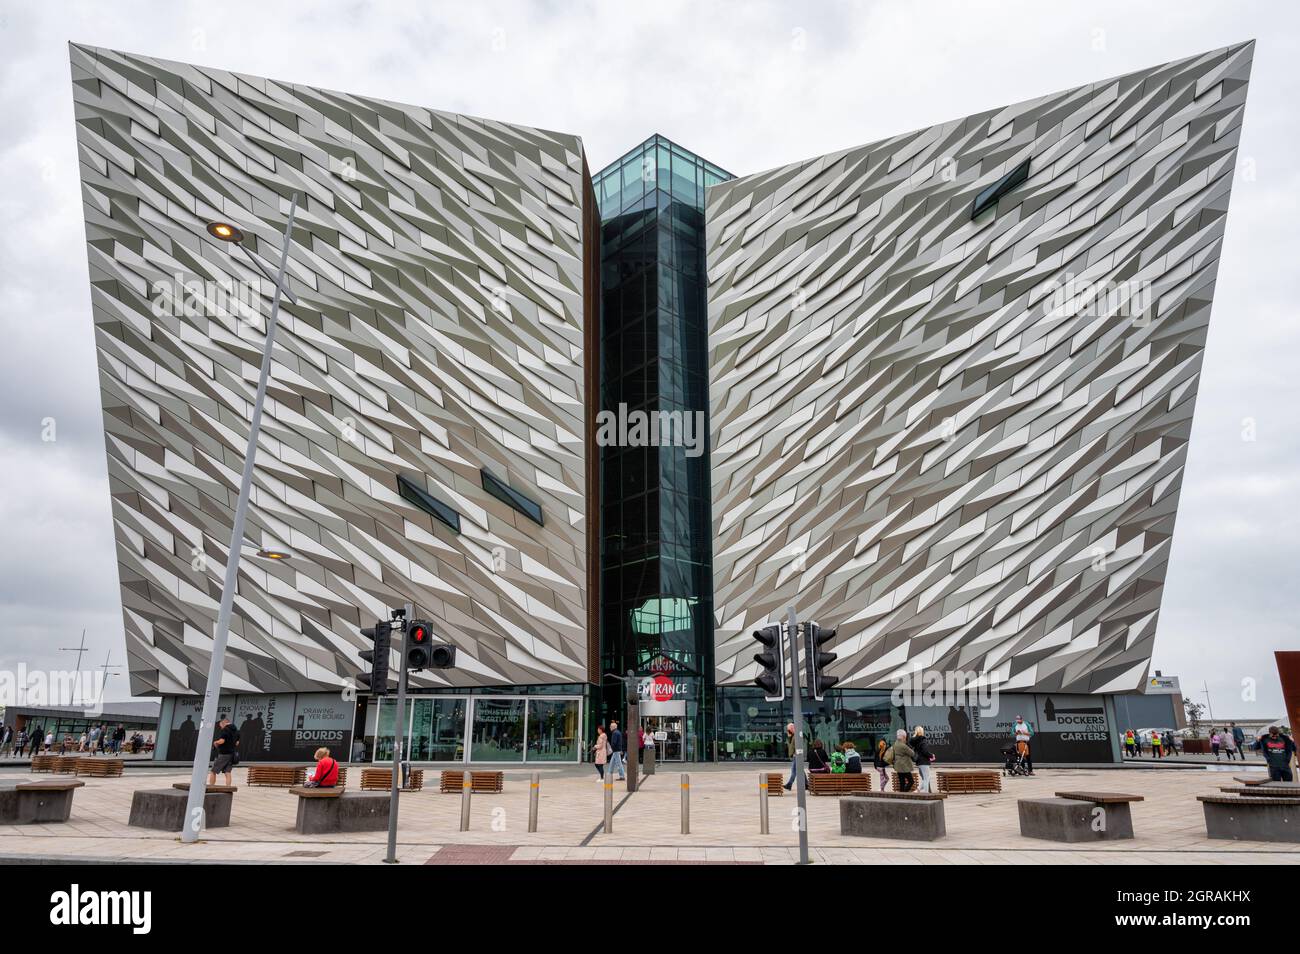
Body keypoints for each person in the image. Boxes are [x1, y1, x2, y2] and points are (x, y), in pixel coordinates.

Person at [207, 715, 240, 786]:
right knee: (227, 772)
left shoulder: (225, 729)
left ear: (223, 723)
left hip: (224, 753)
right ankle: (228, 788)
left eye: (220, 726)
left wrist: (215, 742)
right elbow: (237, 743)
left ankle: (211, 786)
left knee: (213, 771)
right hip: (232, 754)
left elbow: (222, 741)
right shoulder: (236, 731)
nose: (221, 727)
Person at [911, 726, 934, 792]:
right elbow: (925, 751)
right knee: (926, 778)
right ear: (922, 732)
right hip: (924, 761)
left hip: (919, 761)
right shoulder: (922, 741)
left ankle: (918, 790)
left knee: (925, 778)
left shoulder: (915, 741)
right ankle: (925, 794)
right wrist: (931, 755)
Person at [783, 723, 798, 791]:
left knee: (793, 771)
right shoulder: (792, 736)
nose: (787, 731)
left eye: (788, 729)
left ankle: (789, 785)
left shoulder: (796, 736)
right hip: (795, 756)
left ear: (792, 729)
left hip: (796, 756)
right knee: (799, 770)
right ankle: (806, 784)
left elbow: (796, 746)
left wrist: (795, 753)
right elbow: (790, 746)